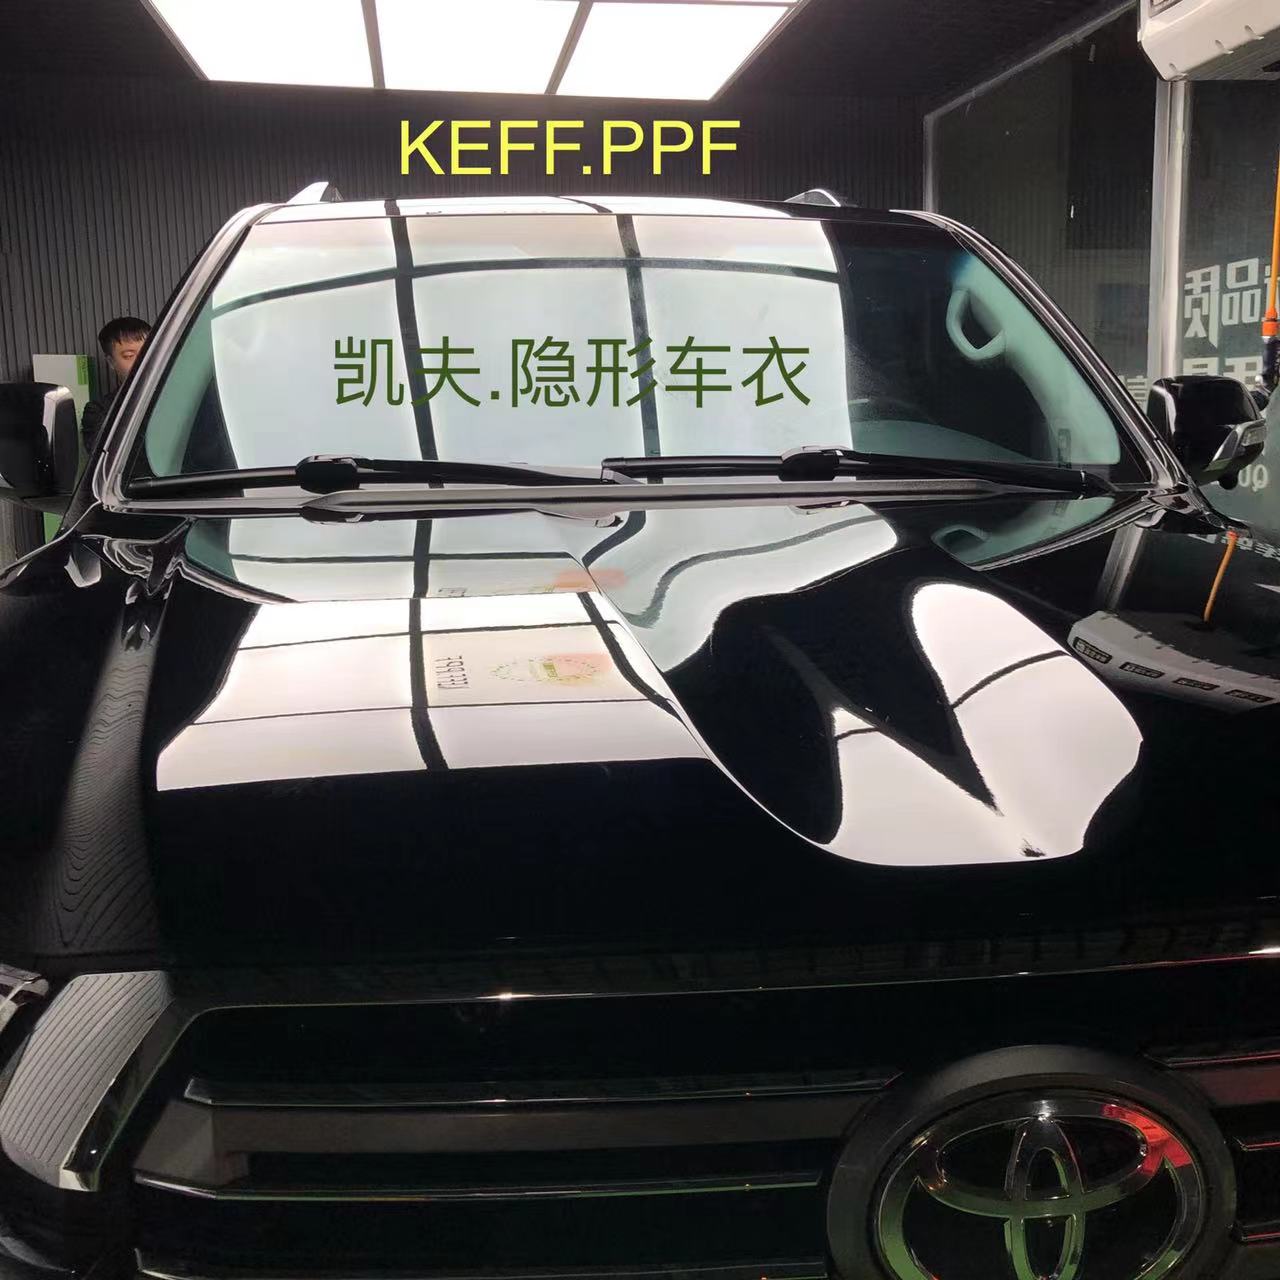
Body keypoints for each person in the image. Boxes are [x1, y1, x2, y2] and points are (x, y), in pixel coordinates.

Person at [81, 316, 151, 452]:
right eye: (129, 356)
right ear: (111, 362)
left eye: (147, 352)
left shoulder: (179, 396)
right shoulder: (99, 410)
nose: (142, 361)